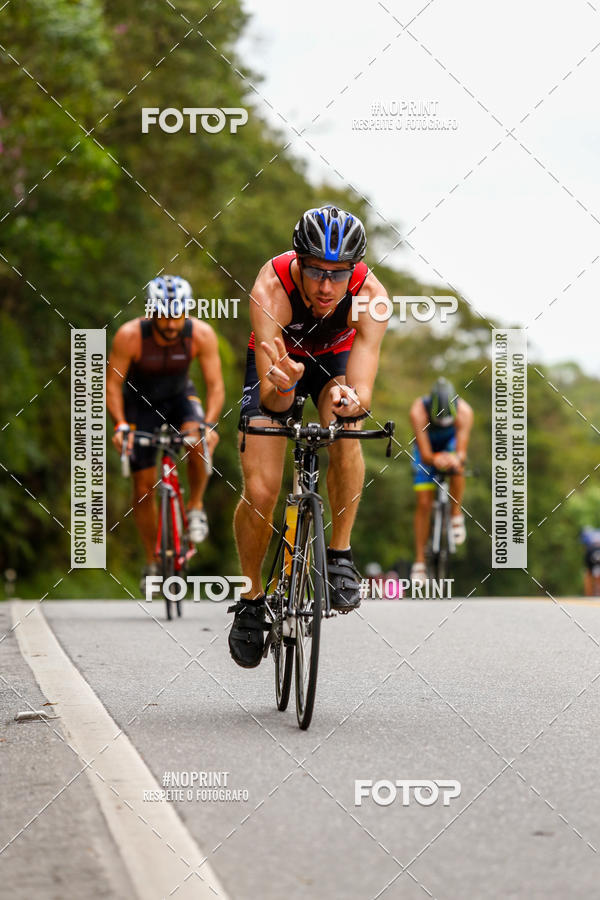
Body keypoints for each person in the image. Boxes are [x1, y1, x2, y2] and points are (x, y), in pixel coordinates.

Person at [228, 204, 389, 668]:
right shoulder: (270, 289)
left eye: (338, 275)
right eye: (316, 271)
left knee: (349, 429)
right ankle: (252, 598)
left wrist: (350, 403)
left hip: (334, 363)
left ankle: (339, 554)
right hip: (280, 367)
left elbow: (361, 390)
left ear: (354, 272)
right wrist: (282, 382)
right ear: (298, 261)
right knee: (260, 490)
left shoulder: (371, 297)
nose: (325, 287)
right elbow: (274, 403)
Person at [106, 276, 224, 592]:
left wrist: (209, 423)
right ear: (151, 311)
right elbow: (113, 385)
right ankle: (152, 561)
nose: (171, 323)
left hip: (179, 400)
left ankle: (195, 506)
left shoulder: (201, 334)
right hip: (138, 406)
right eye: (164, 314)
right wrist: (119, 424)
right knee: (143, 487)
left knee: (197, 439)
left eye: (178, 314)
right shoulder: (130, 336)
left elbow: (215, 386)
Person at [409, 378, 473, 586]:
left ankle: (456, 513)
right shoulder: (418, 411)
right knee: (424, 503)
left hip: (449, 445)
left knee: (458, 469)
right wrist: (435, 459)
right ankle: (419, 562)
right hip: (426, 449)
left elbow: (461, 452)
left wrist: (454, 459)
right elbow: (426, 454)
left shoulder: (465, 412)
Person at [580, 527, 600, 596]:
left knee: (588, 574)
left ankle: (589, 594)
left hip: (591, 555)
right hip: (592, 559)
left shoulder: (588, 540)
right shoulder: (594, 534)